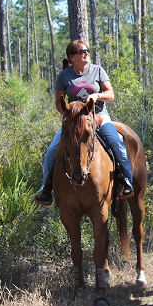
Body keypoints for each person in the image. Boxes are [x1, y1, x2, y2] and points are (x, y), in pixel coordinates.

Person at [35, 40, 133, 205]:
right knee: (52, 150)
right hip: (74, 122)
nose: (86, 53)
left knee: (116, 142)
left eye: (87, 50)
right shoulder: (64, 76)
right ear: (72, 57)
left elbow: (110, 94)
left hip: (99, 116)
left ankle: (127, 180)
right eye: (82, 51)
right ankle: (46, 187)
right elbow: (59, 103)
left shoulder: (97, 70)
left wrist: (97, 96)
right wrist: (69, 117)